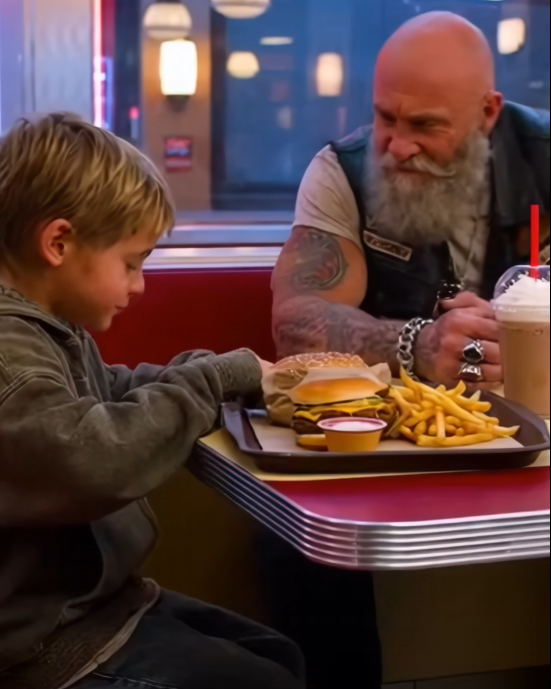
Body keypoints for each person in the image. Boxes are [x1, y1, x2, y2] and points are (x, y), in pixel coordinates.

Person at [265, 11, 550, 689]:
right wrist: (416, 342)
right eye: (385, 117)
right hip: (394, 436)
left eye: (425, 125)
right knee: (297, 539)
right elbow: (295, 319)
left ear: (487, 113)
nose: (396, 145)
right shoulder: (341, 171)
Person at [0, 113, 305, 689]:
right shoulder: (8, 351)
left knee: (278, 654)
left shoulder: (48, 327)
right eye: (131, 263)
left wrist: (212, 375)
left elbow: (109, 391)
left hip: (89, 606)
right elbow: (91, 458)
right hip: (36, 647)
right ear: (58, 243)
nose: (139, 285)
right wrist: (215, 379)